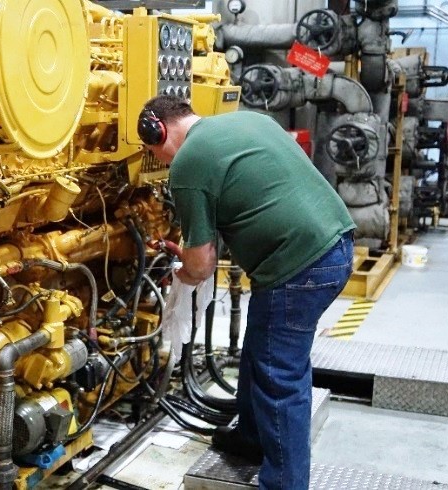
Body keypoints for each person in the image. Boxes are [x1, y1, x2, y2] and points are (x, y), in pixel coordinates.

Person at [138, 95, 355, 490]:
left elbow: (201, 266)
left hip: (298, 267)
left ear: (158, 131)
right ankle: (252, 436)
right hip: (335, 245)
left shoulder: (187, 163)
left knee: (280, 377)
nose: (159, 160)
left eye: (153, 150)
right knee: (260, 348)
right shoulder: (247, 121)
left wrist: (180, 273)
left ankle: (285, 483)